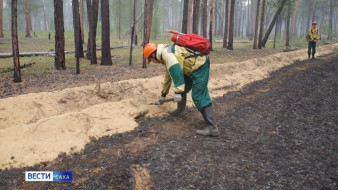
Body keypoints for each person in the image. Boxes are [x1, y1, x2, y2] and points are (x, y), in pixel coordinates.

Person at [143, 43, 220, 137]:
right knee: (183, 87)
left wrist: (177, 92)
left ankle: (212, 128)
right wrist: (163, 95)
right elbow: (169, 75)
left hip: (200, 66)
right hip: (190, 68)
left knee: (198, 96)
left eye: (151, 60)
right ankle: (180, 111)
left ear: (153, 55)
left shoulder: (166, 55)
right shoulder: (165, 53)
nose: (153, 62)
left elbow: (176, 71)